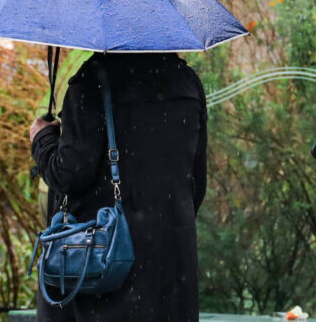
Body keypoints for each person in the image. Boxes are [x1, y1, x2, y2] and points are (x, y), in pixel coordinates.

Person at [29, 52, 208, 322]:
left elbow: (68, 174)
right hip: (170, 270)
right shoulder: (186, 82)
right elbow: (196, 183)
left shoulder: (93, 82)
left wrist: (42, 138)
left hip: (104, 270)